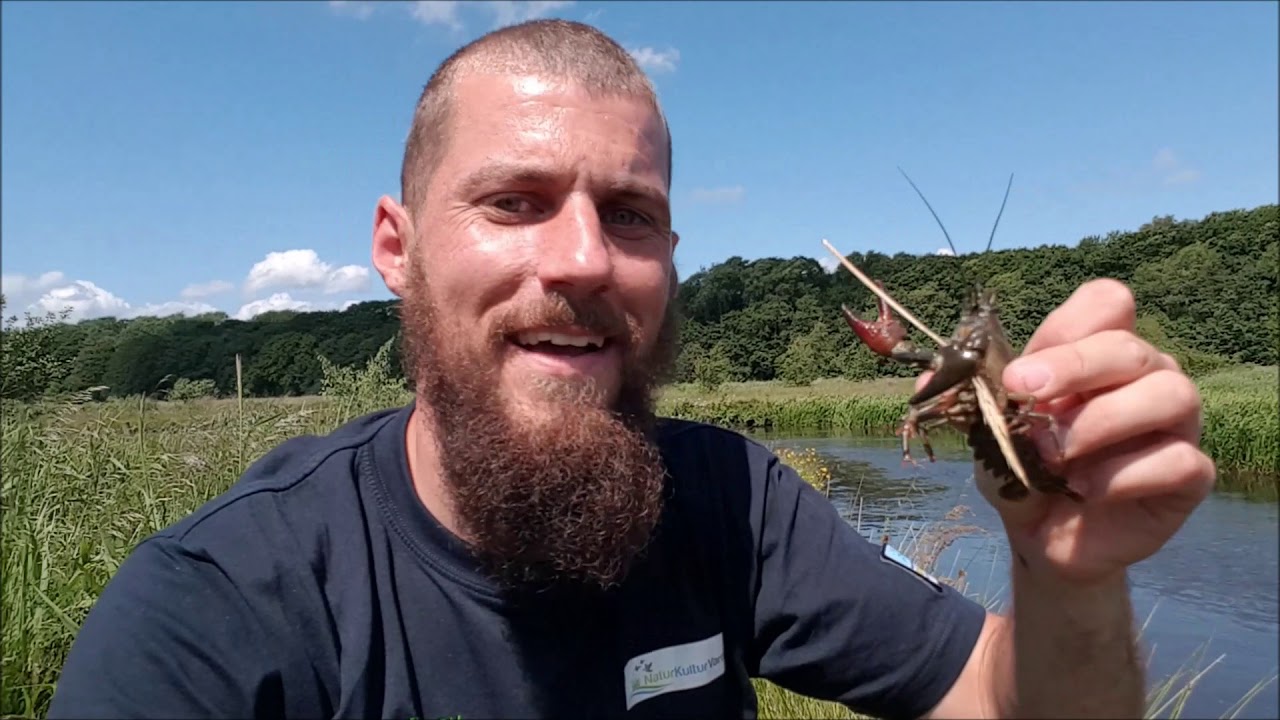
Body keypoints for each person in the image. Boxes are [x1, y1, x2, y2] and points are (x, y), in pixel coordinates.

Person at [47, 19, 1215, 720]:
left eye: (630, 214)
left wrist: (1064, 571)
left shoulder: (730, 501)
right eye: (514, 202)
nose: (581, 259)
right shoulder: (212, 611)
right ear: (396, 250)